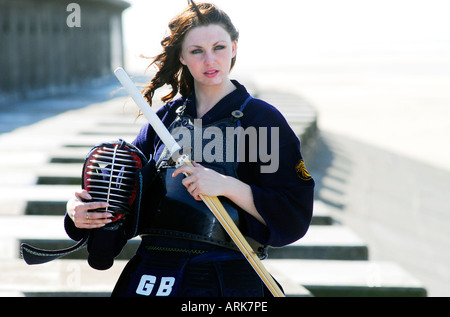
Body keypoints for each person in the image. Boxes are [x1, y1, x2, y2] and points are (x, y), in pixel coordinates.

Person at [65, 1, 314, 297]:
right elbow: (125, 195)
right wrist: (79, 212)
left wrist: (227, 186)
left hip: (225, 279)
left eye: (219, 47)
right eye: (197, 51)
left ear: (234, 48)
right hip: (150, 275)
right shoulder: (165, 119)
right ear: (182, 57)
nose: (210, 60)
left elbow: (293, 212)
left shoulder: (261, 121)